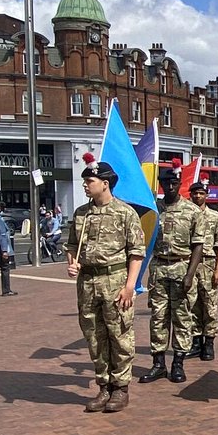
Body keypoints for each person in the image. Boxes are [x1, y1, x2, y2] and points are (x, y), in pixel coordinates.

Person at [67, 160, 146, 413]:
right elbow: (72, 246)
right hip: (87, 283)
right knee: (94, 337)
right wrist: (72, 264)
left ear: (105, 183)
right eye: (85, 181)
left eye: (89, 181)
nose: (85, 185)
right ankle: (104, 386)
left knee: (119, 335)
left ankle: (121, 388)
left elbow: (136, 253)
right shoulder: (81, 213)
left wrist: (129, 287)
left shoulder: (125, 213)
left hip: (115, 281)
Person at [139, 169, 205, 385]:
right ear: (160, 184)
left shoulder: (192, 211)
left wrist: (190, 274)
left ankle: (178, 362)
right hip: (159, 268)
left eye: (174, 183)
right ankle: (158, 363)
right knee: (158, 317)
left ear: (180, 184)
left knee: (182, 318)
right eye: (165, 183)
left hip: (182, 266)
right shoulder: (154, 209)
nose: (169, 186)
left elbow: (198, 246)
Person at [186, 182, 218, 361]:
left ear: (206, 195)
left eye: (201, 193)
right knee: (192, 303)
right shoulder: (186, 215)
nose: (197, 196)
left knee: (209, 305)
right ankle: (196, 342)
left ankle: (209, 343)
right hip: (189, 264)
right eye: (194, 193)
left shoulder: (215, 216)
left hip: (208, 263)